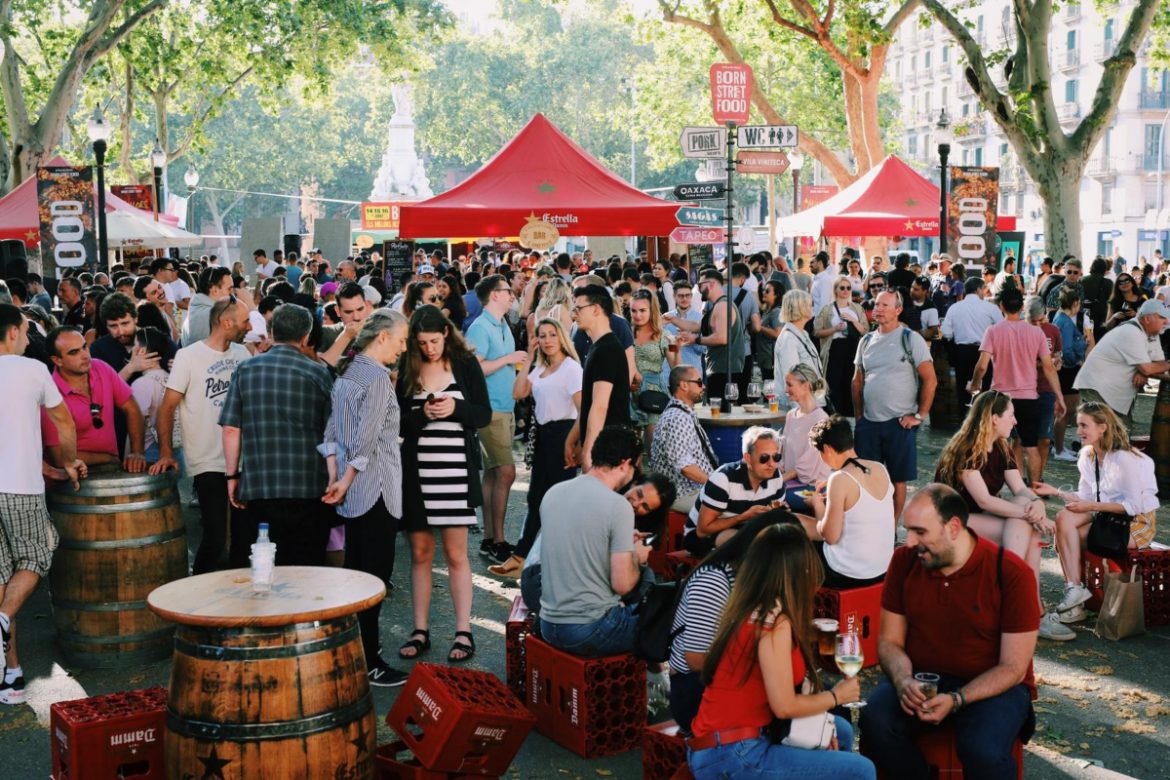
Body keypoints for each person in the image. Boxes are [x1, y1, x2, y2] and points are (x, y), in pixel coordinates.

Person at [859, 484, 1039, 780]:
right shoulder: (905, 561)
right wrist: (904, 681)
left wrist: (957, 699)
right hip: (922, 677)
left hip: (993, 685)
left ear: (954, 527)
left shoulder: (1011, 572)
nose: (909, 541)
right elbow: (889, 641)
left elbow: (1014, 668)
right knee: (875, 722)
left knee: (981, 749)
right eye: (907, 530)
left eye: (920, 532)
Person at [686, 523, 873, 780]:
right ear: (798, 572)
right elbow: (784, 706)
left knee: (839, 729)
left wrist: (808, 634)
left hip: (724, 743)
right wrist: (836, 696)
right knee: (862, 770)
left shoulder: (753, 606)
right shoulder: (775, 623)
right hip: (733, 753)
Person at [396, 306, 492, 664]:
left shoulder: (465, 365)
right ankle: (419, 629)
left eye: (434, 341)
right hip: (417, 475)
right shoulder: (409, 366)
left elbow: (482, 414)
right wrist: (423, 414)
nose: (429, 349)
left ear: (447, 335)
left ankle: (463, 630)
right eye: (422, 343)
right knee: (420, 554)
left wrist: (454, 409)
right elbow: (398, 421)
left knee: (455, 555)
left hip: (454, 473)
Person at [320, 309, 411, 686]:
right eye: (402, 340)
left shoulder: (350, 371)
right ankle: (369, 661)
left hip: (352, 488)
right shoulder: (375, 377)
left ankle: (355, 654)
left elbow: (334, 431)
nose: (404, 348)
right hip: (375, 489)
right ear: (384, 337)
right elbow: (366, 438)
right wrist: (347, 477)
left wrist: (336, 476)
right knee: (374, 578)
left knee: (356, 574)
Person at [0, 306, 84, 704]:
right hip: (20, 486)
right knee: (38, 555)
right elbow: (64, 422)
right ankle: (0, 623)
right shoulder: (32, 370)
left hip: (15, 478)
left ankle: (11, 676)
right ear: (14, 331)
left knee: (1, 578)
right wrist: (67, 461)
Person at [933, 392, 1068, 640]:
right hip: (950, 521)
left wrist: (1037, 503)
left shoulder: (1001, 447)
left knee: (1027, 521)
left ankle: (1020, 601)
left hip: (978, 516)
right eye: (1011, 415)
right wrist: (1034, 517)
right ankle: (1025, 606)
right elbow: (985, 500)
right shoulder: (968, 448)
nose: (1015, 421)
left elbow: (1020, 489)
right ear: (994, 418)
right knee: (1029, 530)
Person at [219, 304, 334, 566]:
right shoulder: (319, 373)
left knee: (264, 566)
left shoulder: (246, 370)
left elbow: (231, 428)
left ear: (270, 332)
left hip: (260, 486)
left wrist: (232, 475)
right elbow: (332, 434)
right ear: (306, 337)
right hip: (309, 488)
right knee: (307, 569)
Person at [1033, 402, 1159, 627]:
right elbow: (1086, 496)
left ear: (1103, 427)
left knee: (1065, 535)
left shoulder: (1124, 458)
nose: (1078, 431)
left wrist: (1091, 507)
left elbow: (1133, 506)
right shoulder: (1087, 455)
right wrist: (1056, 491)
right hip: (1106, 516)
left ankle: (1075, 605)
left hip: (1136, 523)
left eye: (1084, 425)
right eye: (1077, 425)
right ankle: (1075, 590)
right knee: (1064, 518)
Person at [150, 298, 251, 573]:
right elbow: (167, 407)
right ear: (226, 323)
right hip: (207, 459)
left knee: (244, 538)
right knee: (216, 537)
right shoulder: (189, 356)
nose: (250, 326)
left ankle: (240, 602)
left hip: (243, 460)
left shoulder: (243, 354)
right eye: (245, 321)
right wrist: (167, 452)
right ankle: (196, 596)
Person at [668, 514, 790, 736]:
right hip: (696, 693)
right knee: (797, 714)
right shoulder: (715, 580)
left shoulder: (752, 579)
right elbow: (696, 659)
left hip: (726, 682)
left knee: (822, 709)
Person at [538, 426, 652, 657]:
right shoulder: (618, 506)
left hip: (548, 624)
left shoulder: (553, 492)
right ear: (625, 463)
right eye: (635, 469)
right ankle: (658, 684)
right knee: (664, 619)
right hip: (590, 628)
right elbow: (623, 585)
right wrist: (635, 555)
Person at [488, 318, 582, 578]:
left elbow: (583, 409)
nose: (548, 340)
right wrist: (529, 357)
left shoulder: (571, 368)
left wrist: (574, 443)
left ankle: (556, 561)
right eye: (542, 335)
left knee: (558, 502)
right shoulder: (540, 366)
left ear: (561, 337)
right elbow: (518, 393)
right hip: (542, 436)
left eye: (553, 334)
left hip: (563, 433)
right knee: (535, 499)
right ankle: (521, 557)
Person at [966, 287, 1066, 482]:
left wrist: (974, 384)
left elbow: (981, 367)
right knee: (1031, 446)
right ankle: (1034, 490)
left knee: (992, 445)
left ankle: (990, 487)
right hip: (1029, 397)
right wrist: (1060, 397)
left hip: (1001, 398)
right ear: (1022, 307)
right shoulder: (1035, 333)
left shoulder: (993, 331)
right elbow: (1049, 367)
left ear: (1001, 306)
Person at [852, 290, 936, 520]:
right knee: (866, 478)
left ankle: (891, 528)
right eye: (876, 305)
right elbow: (857, 379)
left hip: (900, 422)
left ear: (898, 309)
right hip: (869, 423)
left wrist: (920, 415)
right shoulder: (866, 340)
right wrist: (859, 417)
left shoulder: (910, 339)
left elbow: (930, 379)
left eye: (885, 305)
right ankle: (869, 525)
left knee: (898, 480)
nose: (878, 309)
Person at [466, 275, 526, 566]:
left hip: (505, 406)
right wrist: (508, 359)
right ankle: (497, 540)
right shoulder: (480, 327)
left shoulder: (501, 324)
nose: (512, 294)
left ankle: (491, 538)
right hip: (491, 409)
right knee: (505, 473)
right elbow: (476, 370)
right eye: (506, 290)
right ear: (493, 296)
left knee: (493, 474)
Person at [804, 414, 894, 588]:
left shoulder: (839, 479)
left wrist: (817, 504)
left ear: (828, 449)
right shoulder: (880, 468)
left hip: (848, 574)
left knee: (797, 544)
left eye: (820, 453)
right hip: (882, 569)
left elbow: (830, 537)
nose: (822, 459)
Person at [41, 327, 148, 474]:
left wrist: (137, 452)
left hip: (110, 470)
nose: (85, 355)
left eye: (84, 347)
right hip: (71, 477)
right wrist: (107, 459)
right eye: (74, 352)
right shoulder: (50, 393)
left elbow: (132, 408)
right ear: (57, 360)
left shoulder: (101, 367)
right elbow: (59, 457)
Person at [682, 426, 792, 558]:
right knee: (759, 545)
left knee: (793, 535)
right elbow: (702, 530)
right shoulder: (724, 479)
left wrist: (781, 513)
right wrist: (743, 517)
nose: (772, 464)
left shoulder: (775, 476)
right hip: (702, 537)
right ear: (748, 458)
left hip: (747, 529)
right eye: (764, 458)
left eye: (776, 457)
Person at [1072, 298, 1170, 428]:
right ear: (1147, 319)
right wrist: (1148, 369)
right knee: (1104, 435)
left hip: (1111, 391)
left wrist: (1144, 371)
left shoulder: (1152, 333)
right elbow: (1149, 367)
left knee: (1118, 435)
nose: (1166, 322)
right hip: (1097, 387)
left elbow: (1157, 365)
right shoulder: (1131, 332)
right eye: (1162, 318)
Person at [565, 284, 631, 471]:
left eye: (578, 308)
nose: (573, 314)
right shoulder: (599, 347)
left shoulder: (607, 349)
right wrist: (575, 438)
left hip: (610, 449)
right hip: (605, 445)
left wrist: (589, 450)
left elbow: (600, 405)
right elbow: (589, 403)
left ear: (595, 309)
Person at [649, 365, 719, 513]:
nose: (703, 386)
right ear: (684, 385)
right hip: (683, 493)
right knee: (736, 508)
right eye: (699, 382)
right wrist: (717, 485)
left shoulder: (681, 413)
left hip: (692, 489)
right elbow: (685, 467)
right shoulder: (677, 418)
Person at [676, 269, 745, 405]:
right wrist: (672, 319)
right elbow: (696, 326)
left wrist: (695, 339)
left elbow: (722, 338)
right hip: (719, 369)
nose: (699, 289)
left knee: (720, 415)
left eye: (700, 284)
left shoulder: (722, 306)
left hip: (724, 371)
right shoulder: (717, 306)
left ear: (711, 284)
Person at [941, 277, 1003, 407]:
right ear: (978, 289)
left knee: (963, 390)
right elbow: (1003, 329)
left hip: (962, 353)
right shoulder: (990, 308)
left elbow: (946, 332)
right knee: (984, 392)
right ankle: (981, 421)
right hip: (984, 354)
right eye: (983, 289)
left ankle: (965, 421)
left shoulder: (954, 308)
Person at [777, 365, 830, 514]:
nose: (786, 390)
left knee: (770, 497)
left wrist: (776, 482)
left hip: (813, 487)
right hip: (790, 482)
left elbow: (806, 468)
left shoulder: (821, 419)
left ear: (806, 386)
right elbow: (783, 456)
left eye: (790, 385)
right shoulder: (791, 415)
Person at [813, 277, 866, 416]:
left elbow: (865, 331)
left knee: (851, 381)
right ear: (835, 290)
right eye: (842, 287)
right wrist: (834, 329)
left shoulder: (857, 308)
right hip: (834, 348)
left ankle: (850, 412)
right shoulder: (827, 309)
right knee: (833, 381)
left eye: (848, 288)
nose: (845, 291)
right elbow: (817, 331)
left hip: (853, 347)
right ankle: (834, 414)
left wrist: (853, 320)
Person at [630, 290, 678, 444]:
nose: (638, 315)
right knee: (631, 444)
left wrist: (675, 347)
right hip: (630, 392)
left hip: (653, 391)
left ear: (652, 311)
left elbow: (676, 367)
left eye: (642, 310)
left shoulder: (662, 335)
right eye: (633, 310)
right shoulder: (626, 333)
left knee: (653, 444)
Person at [1052, 289, 1093, 461]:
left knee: (1064, 411)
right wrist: (1077, 359)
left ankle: (1059, 447)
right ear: (1075, 303)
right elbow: (1067, 350)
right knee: (1064, 412)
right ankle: (1059, 449)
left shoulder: (1059, 318)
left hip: (1065, 369)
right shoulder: (1067, 322)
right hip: (1069, 369)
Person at [772, 290, 823, 412]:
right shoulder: (789, 339)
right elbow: (792, 380)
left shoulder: (802, 333)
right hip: (797, 409)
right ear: (801, 308)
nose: (812, 308)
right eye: (810, 304)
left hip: (808, 404)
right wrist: (802, 414)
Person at [181, 266, 233, 346]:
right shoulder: (213, 316)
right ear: (214, 290)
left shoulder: (198, 309)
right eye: (229, 289)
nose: (232, 294)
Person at [663, 281, 705, 373]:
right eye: (681, 296)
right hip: (669, 373)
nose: (684, 299)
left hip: (693, 372)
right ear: (674, 296)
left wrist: (692, 340)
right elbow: (662, 347)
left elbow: (704, 349)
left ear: (691, 296)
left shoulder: (699, 319)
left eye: (688, 295)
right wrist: (673, 343)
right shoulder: (666, 318)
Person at [754, 280, 784, 382]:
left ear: (776, 295)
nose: (763, 293)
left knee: (770, 391)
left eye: (767, 291)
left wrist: (760, 327)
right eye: (763, 290)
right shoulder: (767, 311)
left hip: (771, 360)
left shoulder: (776, 312)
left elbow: (777, 333)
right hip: (765, 359)